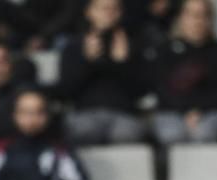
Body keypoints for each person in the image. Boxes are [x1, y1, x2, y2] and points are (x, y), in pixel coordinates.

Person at [57, 0, 148, 145]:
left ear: (120, 12)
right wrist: (86, 62)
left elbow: (141, 92)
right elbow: (65, 91)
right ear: (88, 12)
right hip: (85, 113)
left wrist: (122, 64)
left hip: (123, 114)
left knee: (126, 133)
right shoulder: (73, 46)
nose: (109, 13)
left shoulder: (133, 45)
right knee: (83, 130)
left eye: (114, 8)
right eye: (102, 8)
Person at [150, 0, 217, 146]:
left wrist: (200, 111)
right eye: (192, 15)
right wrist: (186, 112)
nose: (197, 21)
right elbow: (162, 89)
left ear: (210, 19)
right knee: (172, 134)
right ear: (181, 18)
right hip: (173, 112)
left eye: (202, 15)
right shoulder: (165, 52)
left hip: (215, 112)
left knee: (205, 132)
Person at [0, 88, 91, 180]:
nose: (31, 119)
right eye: (25, 112)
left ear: (48, 116)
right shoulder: (0, 150)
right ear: (14, 115)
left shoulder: (59, 152)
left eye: (39, 112)